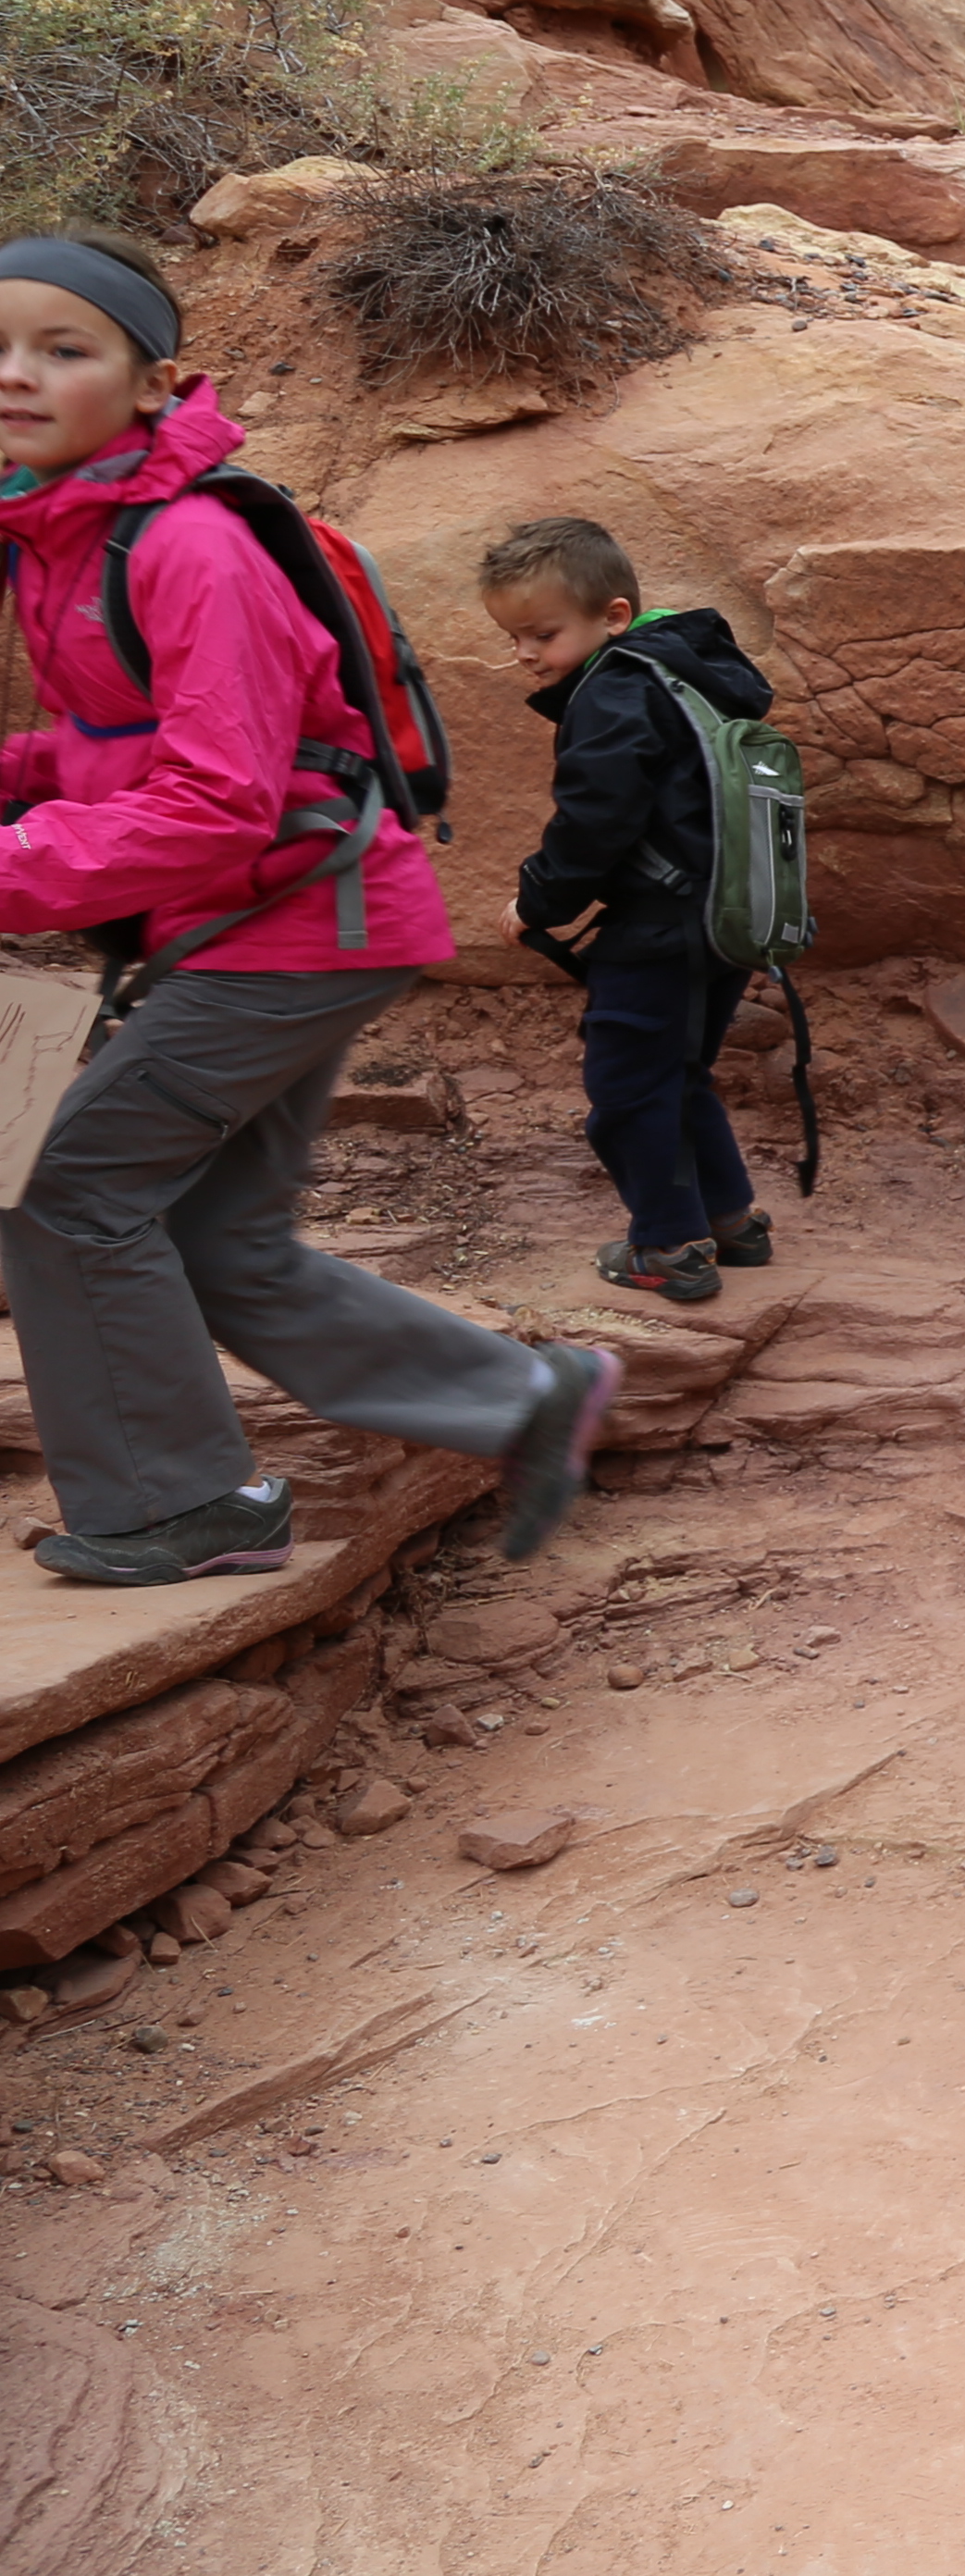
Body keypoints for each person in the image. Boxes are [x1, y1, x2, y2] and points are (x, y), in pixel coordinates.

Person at [0, 229, 616, 1584]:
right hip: (275, 921)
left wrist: (16, 865)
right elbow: (130, 745)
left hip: (290, 929)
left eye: (63, 347)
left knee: (66, 1194)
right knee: (215, 1231)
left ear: (157, 382)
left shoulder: (191, 547)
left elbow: (216, 801)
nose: (17, 376)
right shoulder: (69, 536)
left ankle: (176, 1504)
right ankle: (523, 1400)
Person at [482, 515, 780, 1305]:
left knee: (625, 1090)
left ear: (613, 617)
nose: (525, 654)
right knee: (678, 1076)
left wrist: (539, 898)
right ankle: (729, 1219)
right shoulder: (685, 673)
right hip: (726, 921)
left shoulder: (615, 692)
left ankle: (668, 1244)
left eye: (542, 634)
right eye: (514, 638)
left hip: (658, 929)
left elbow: (596, 819)